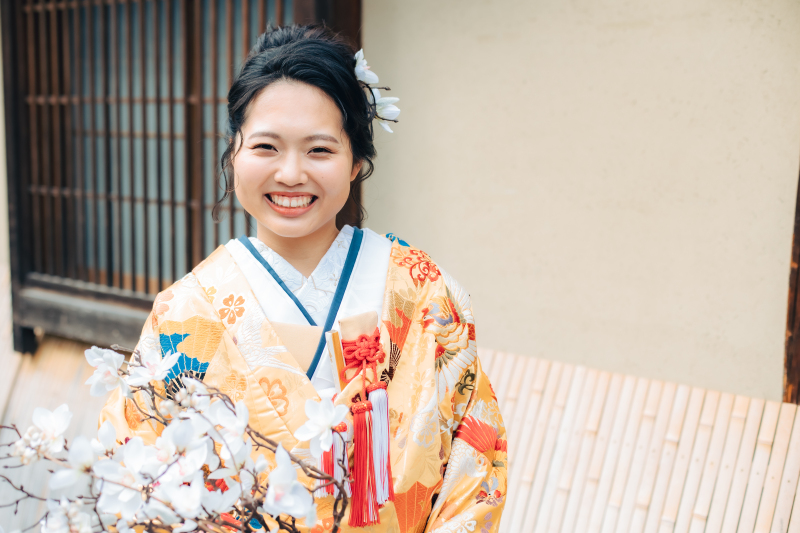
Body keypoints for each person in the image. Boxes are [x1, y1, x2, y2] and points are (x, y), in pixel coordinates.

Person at [100, 24, 507, 532]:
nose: (291, 173)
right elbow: (134, 476)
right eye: (267, 147)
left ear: (356, 161)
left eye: (319, 150)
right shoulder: (186, 311)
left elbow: (474, 466)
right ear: (233, 153)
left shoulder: (423, 293)